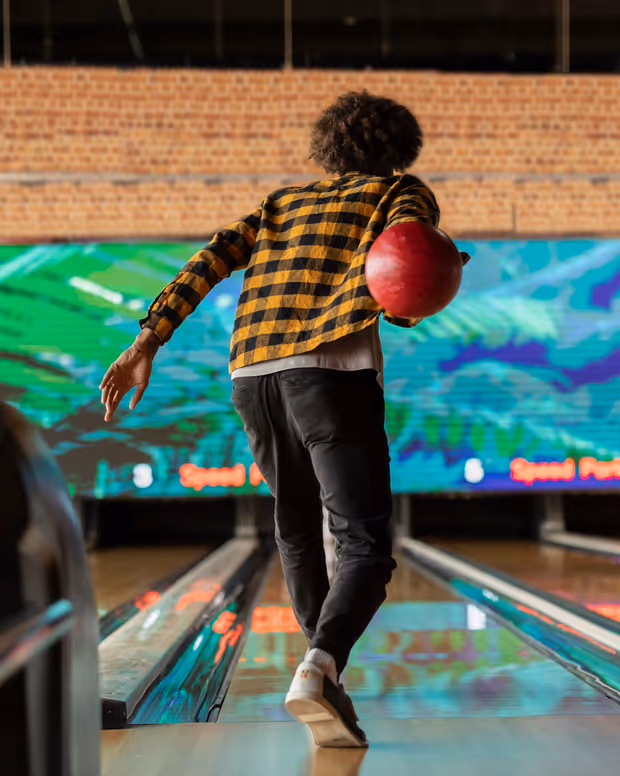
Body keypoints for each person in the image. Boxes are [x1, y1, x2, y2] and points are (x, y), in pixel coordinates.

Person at [100, 91, 458, 747]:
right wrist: (432, 284)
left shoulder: (281, 203)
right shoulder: (400, 193)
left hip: (251, 374)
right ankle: (319, 667)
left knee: (296, 527)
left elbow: (208, 258)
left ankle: (325, 683)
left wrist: (147, 341)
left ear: (331, 147)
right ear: (398, 146)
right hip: (328, 370)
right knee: (365, 545)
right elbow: (405, 266)